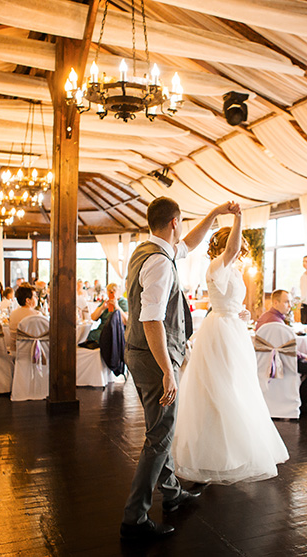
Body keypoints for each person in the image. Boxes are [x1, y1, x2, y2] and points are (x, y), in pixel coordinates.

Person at [121, 198, 237, 541]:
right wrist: (167, 371)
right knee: (159, 437)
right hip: (153, 356)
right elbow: (152, 319)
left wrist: (215, 215)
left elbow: (189, 243)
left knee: (160, 429)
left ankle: (172, 495)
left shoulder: (150, 249)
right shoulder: (158, 262)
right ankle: (134, 518)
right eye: (182, 221)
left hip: (140, 353)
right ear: (174, 222)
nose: (184, 228)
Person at [174, 207, 289, 486]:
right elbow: (232, 251)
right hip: (220, 332)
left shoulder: (232, 269)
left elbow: (230, 300)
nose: (239, 254)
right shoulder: (217, 265)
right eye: (236, 249)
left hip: (234, 328)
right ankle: (212, 455)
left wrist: (242, 313)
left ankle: (233, 451)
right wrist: (238, 218)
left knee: (237, 388)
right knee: (218, 391)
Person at [256, 289, 307, 412]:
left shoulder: (264, 317)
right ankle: (300, 400)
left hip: (263, 362)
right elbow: (287, 350)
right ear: (275, 303)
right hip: (282, 362)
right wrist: (303, 356)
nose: (290, 305)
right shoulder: (277, 323)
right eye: (286, 302)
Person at [80, 283, 128, 349]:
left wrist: (117, 306)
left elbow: (126, 321)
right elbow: (93, 317)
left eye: (114, 290)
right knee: (84, 335)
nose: (112, 292)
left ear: (118, 291)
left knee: (90, 337)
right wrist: (102, 308)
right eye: (109, 291)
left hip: (115, 331)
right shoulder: (105, 302)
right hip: (102, 329)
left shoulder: (122, 302)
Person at [8, 286, 39, 353]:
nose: (37, 298)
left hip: (15, 352)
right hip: (32, 353)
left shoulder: (13, 314)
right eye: (34, 296)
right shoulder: (37, 315)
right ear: (27, 300)